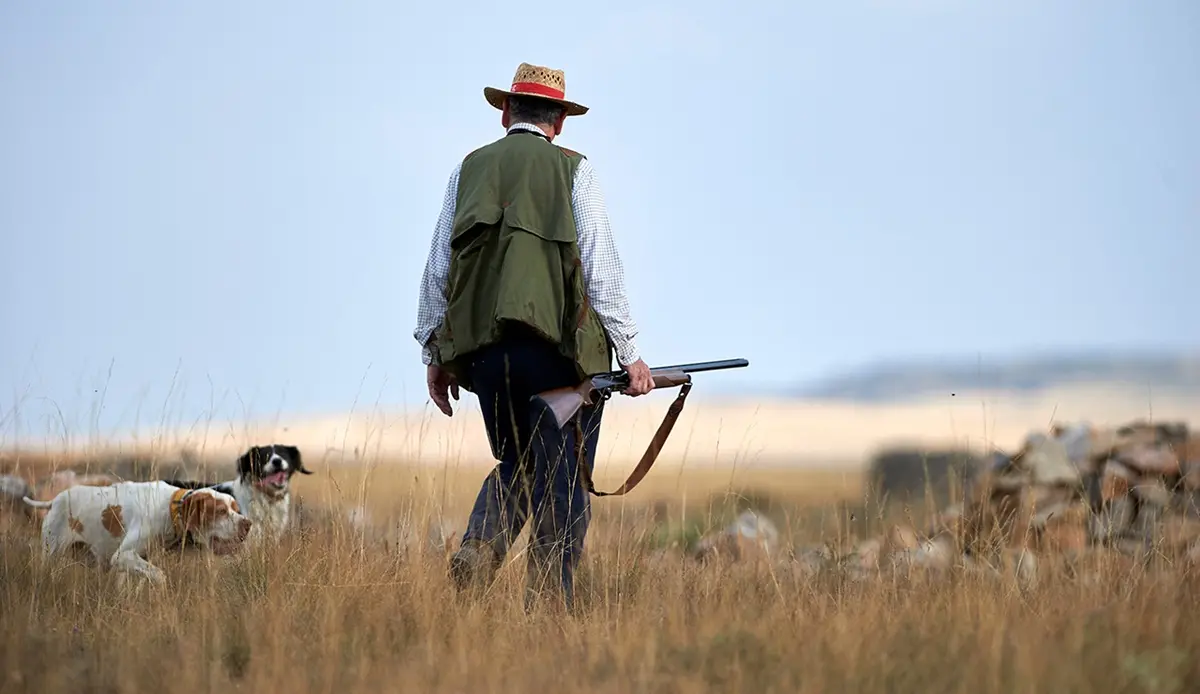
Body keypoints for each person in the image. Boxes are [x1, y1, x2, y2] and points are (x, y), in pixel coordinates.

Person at [412, 62, 653, 612]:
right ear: (560, 122)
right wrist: (633, 354)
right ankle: (548, 609)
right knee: (563, 480)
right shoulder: (575, 171)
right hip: (558, 360)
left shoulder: (468, 169)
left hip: (483, 360)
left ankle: (479, 547)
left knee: (518, 465)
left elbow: (436, 269)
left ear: (505, 113)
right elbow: (600, 264)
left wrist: (435, 353)